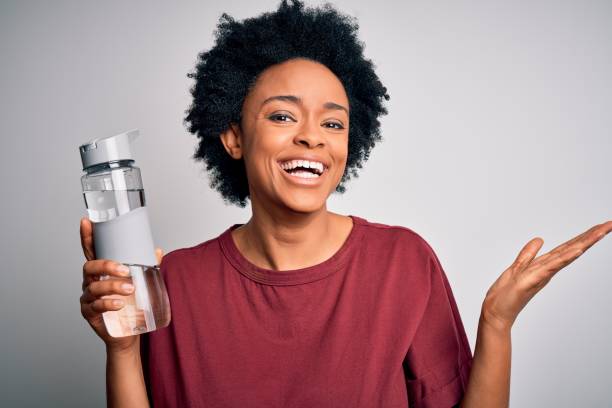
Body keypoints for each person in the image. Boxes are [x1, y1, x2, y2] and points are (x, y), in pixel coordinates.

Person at [79, 1, 612, 407]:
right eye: (284, 116)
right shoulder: (177, 282)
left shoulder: (403, 262)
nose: (313, 137)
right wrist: (121, 349)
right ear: (234, 137)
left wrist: (496, 324)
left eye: (332, 123)